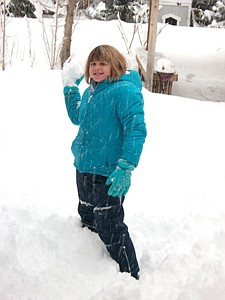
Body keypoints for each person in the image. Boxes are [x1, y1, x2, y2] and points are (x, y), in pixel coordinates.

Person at [63, 45, 147, 279]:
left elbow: (136, 129)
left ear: (115, 65)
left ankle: (130, 276)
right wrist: (70, 88)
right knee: (88, 217)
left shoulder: (124, 91)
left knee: (109, 225)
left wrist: (126, 166)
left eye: (103, 63)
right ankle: (95, 266)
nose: (97, 68)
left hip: (109, 171)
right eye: (93, 63)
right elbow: (77, 117)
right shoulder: (91, 92)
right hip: (84, 168)